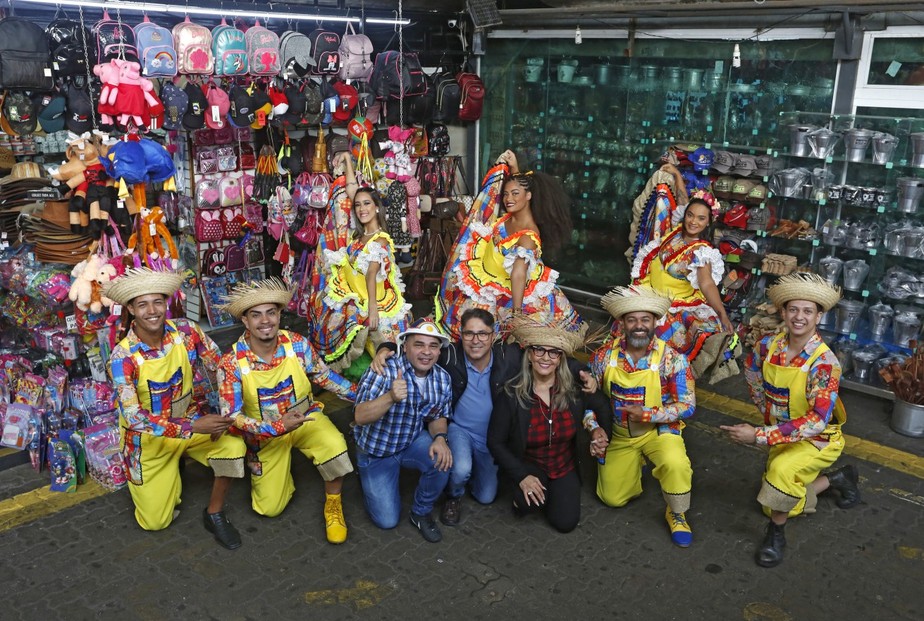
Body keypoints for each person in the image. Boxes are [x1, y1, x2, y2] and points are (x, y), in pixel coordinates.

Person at [721, 272, 860, 568]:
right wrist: (764, 406)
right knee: (777, 501)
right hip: (783, 434)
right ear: (783, 312)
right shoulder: (768, 344)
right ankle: (839, 478)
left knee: (780, 478)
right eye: (793, 309)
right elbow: (751, 368)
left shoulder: (824, 363)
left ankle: (776, 536)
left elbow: (817, 422)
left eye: (808, 311)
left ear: (818, 316)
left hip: (818, 440)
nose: (799, 317)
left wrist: (758, 434)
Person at [105, 268, 246, 550]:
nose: (152, 311)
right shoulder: (122, 357)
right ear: (131, 309)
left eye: (157, 302)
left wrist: (232, 406)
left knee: (234, 449)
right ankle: (171, 470)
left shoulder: (185, 330)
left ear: (167, 302)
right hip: (149, 441)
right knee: (155, 522)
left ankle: (215, 512)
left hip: (191, 421)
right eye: (142, 304)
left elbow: (219, 365)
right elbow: (133, 417)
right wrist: (194, 427)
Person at [216, 279, 357, 544]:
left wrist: (363, 395)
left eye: (271, 312)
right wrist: (277, 427)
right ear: (246, 321)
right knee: (269, 509)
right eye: (256, 315)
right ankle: (278, 470)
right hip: (266, 434)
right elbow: (231, 416)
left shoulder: (297, 344)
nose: (265, 321)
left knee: (335, 445)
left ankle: (334, 504)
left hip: (306, 419)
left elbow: (325, 378)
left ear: (280, 314)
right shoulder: (231, 362)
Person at [588, 284, 696, 547]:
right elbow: (587, 401)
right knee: (611, 498)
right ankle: (634, 466)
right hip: (619, 435)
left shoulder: (673, 359)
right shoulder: (603, 357)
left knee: (675, 463)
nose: (638, 325)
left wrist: (648, 414)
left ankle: (677, 512)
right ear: (622, 323)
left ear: (654, 322)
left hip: (658, 432)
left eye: (645, 319)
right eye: (632, 319)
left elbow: (688, 405)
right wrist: (593, 428)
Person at [436, 149, 581, 341]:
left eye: (514, 194)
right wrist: (513, 168)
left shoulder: (528, 236)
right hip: (488, 277)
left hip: (510, 291)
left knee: (490, 337)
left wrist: (517, 314)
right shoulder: (509, 217)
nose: (508, 199)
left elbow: (518, 273)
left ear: (529, 196)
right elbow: (518, 186)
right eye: (505, 194)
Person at [488, 314, 609, 533]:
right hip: (530, 464)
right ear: (530, 355)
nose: (546, 357)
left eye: (554, 352)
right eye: (539, 350)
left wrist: (599, 432)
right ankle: (522, 493)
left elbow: (601, 405)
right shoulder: (512, 394)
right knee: (527, 505)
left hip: (564, 465)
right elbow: (495, 442)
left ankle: (554, 494)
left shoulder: (574, 389)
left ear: (561, 358)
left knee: (565, 523)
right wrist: (522, 476)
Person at [308, 151, 412, 371]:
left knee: (385, 351)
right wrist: (346, 159)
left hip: (374, 301)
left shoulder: (380, 239)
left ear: (376, 207)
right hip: (357, 294)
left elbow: (372, 273)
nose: (362, 208)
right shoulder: (359, 236)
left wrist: (373, 310)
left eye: (367, 204)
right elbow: (353, 190)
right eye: (358, 205)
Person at [353, 319, 454, 543]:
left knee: (443, 460)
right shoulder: (385, 368)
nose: (426, 352)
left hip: (409, 440)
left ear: (439, 351)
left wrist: (439, 438)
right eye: (419, 344)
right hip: (377, 450)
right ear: (405, 347)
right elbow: (359, 416)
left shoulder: (442, 378)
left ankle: (420, 512)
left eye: (433, 346)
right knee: (387, 521)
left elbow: (438, 415)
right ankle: (364, 468)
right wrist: (390, 397)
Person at [631, 167, 736, 380]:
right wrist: (678, 177)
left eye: (700, 218)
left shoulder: (702, 252)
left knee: (660, 336)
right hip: (649, 292)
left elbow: (706, 284)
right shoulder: (677, 231)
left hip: (674, 302)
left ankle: (660, 379)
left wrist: (722, 314)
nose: (693, 222)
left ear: (708, 222)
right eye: (690, 215)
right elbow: (682, 199)